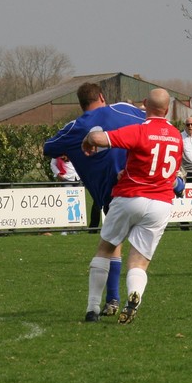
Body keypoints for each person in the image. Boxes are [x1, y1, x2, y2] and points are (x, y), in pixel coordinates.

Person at [44, 82, 146, 316]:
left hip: (111, 193)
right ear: (101, 96)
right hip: (140, 186)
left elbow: (48, 147)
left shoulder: (74, 127)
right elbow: (150, 123)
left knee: (110, 245)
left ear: (80, 104)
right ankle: (121, 296)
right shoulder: (123, 109)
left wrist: (71, 147)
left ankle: (106, 302)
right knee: (136, 250)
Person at [80, 89, 182, 324]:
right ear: (167, 109)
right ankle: (134, 295)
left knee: (106, 248)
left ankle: (92, 308)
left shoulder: (140, 130)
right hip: (161, 203)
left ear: (144, 104)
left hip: (131, 197)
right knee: (139, 261)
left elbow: (99, 139)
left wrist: (88, 139)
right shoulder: (177, 136)